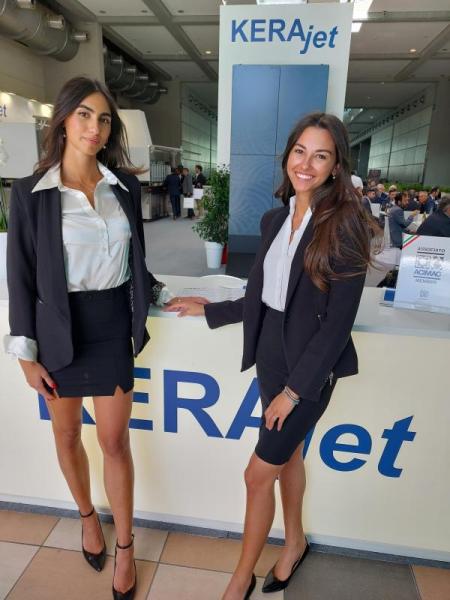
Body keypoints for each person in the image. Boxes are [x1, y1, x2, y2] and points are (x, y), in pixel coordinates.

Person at [4, 76, 206, 600]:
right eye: (84, 115)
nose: (94, 128)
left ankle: (125, 546)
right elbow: (20, 277)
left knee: (115, 441)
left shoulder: (124, 188)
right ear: (63, 120)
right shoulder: (30, 193)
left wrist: (166, 296)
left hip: (112, 324)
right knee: (67, 435)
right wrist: (24, 353)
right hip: (57, 332)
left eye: (104, 119)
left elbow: (135, 262)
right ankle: (87, 517)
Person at [166, 113, 381, 600]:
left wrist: (294, 392)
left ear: (336, 166)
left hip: (308, 371)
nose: (306, 164)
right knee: (290, 456)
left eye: (320, 155)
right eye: (300, 151)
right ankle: (295, 542)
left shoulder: (345, 227)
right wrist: (211, 308)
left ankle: (241, 577)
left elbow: (337, 326)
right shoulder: (274, 220)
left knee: (257, 474)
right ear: (288, 156)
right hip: (271, 356)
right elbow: (264, 298)